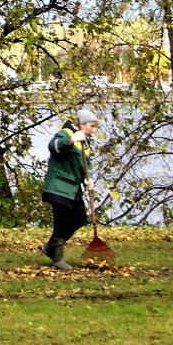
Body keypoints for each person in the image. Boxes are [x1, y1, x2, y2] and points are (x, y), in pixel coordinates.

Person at [41, 108, 99, 270]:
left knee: (80, 218)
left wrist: (89, 178)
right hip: (59, 187)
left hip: (73, 189)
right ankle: (57, 258)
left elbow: (87, 162)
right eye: (91, 126)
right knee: (62, 222)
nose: (93, 130)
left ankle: (50, 246)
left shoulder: (85, 141)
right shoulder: (66, 133)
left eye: (94, 127)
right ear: (81, 124)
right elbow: (53, 146)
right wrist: (71, 140)